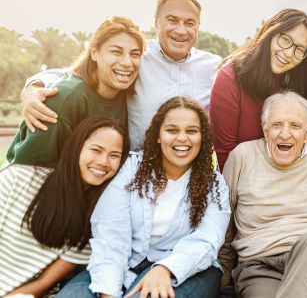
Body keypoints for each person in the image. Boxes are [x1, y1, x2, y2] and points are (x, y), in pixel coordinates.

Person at [56, 97, 229, 298]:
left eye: (191, 131)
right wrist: (108, 293)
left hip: (187, 269)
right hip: (124, 262)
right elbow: (111, 231)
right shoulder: (132, 169)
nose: (182, 138)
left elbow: (207, 240)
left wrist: (165, 268)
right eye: (172, 130)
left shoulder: (213, 183)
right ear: (158, 136)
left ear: (202, 138)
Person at [20, 0, 220, 150]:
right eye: (172, 20)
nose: (181, 30)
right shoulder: (136, 56)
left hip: (189, 175)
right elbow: (76, 73)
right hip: (132, 172)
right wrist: (32, 89)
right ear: (156, 22)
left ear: (198, 27)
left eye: (189, 23)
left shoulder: (215, 68)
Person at [218, 91, 307, 297]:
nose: (285, 134)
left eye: (295, 126)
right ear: (265, 128)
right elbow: (223, 220)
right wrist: (222, 271)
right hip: (259, 266)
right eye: (277, 125)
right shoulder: (242, 156)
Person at [0, 117, 129, 297]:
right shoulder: (19, 178)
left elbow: (44, 283)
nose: (103, 161)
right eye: (96, 150)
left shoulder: (97, 218)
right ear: (76, 148)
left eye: (114, 155)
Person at [7, 16, 144, 165]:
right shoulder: (65, 99)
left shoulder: (129, 94)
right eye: (116, 52)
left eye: (135, 54)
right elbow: (29, 170)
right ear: (94, 53)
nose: (127, 62)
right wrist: (31, 87)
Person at [210, 8, 307, 169]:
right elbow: (225, 155)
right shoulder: (230, 78)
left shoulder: (299, 84)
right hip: (245, 181)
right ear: (270, 33)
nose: (289, 53)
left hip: (293, 178)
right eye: (285, 40)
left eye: (299, 49)